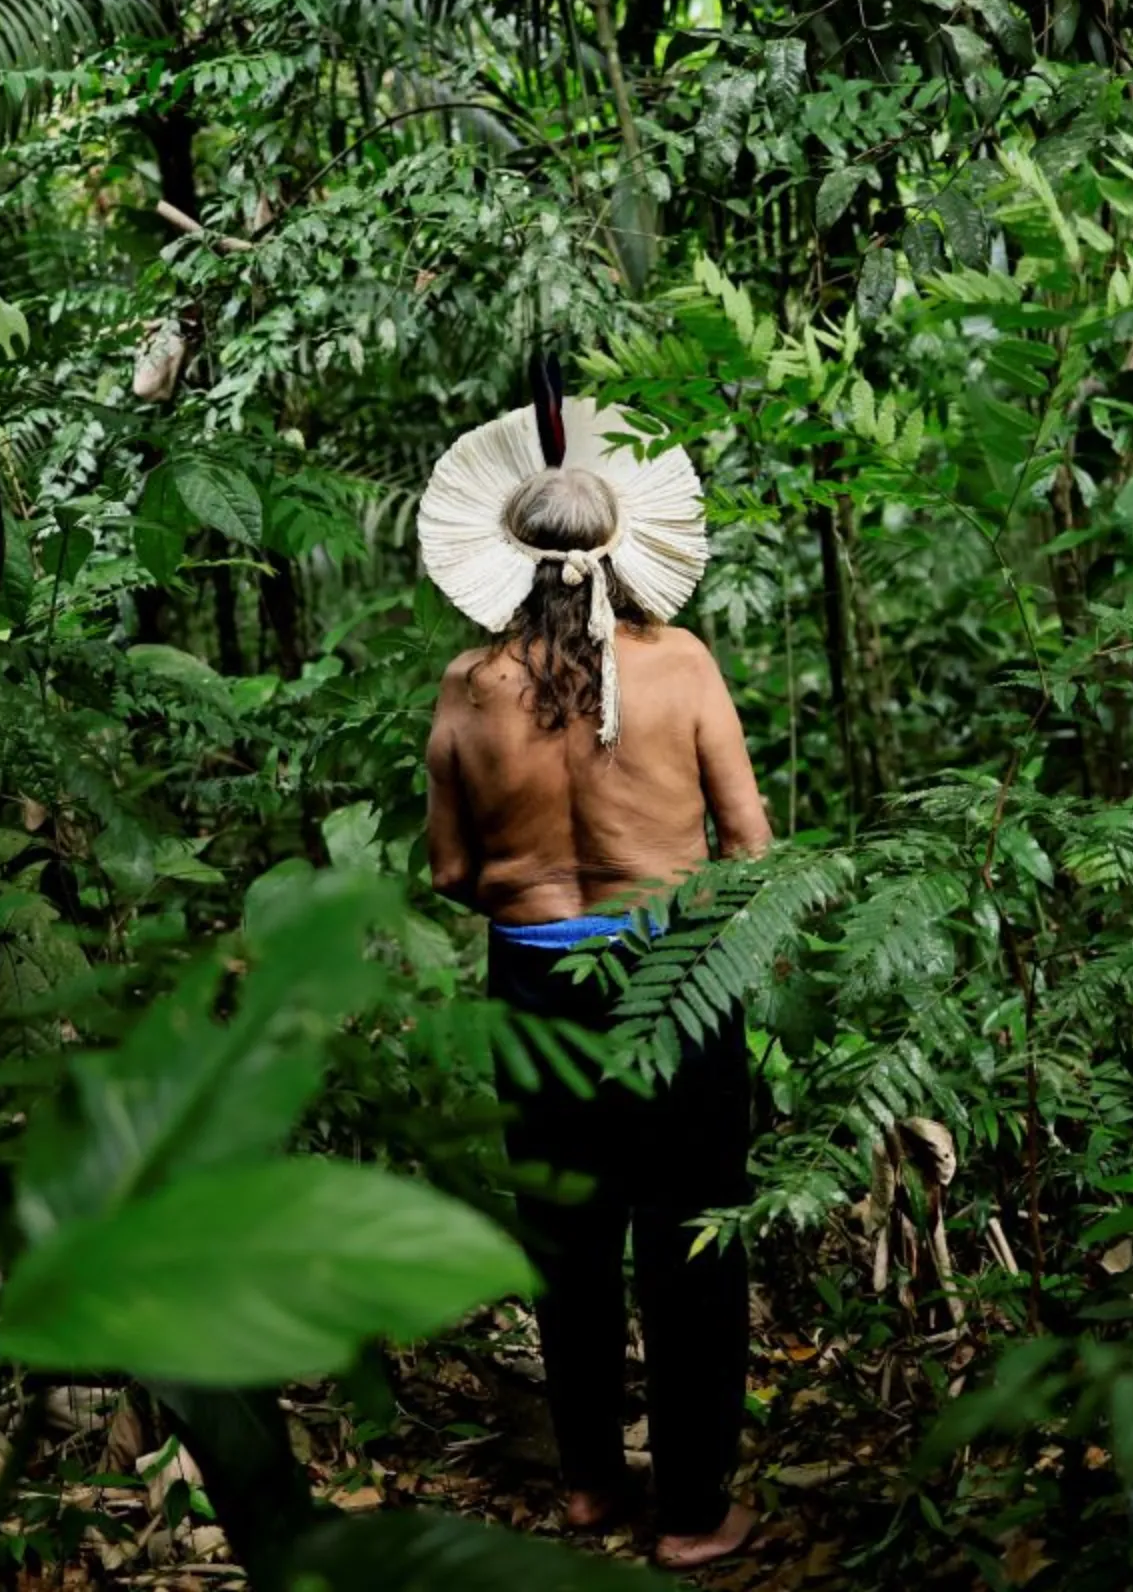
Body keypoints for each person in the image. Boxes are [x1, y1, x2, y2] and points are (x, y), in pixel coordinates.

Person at [415, 383, 773, 1570]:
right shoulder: (680, 666)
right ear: (625, 550)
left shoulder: (469, 690)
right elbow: (751, 847)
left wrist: (536, 893)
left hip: (533, 993)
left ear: (504, 560)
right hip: (675, 984)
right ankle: (691, 1512)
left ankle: (585, 1487)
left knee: (570, 1243)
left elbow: (452, 871)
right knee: (687, 1245)